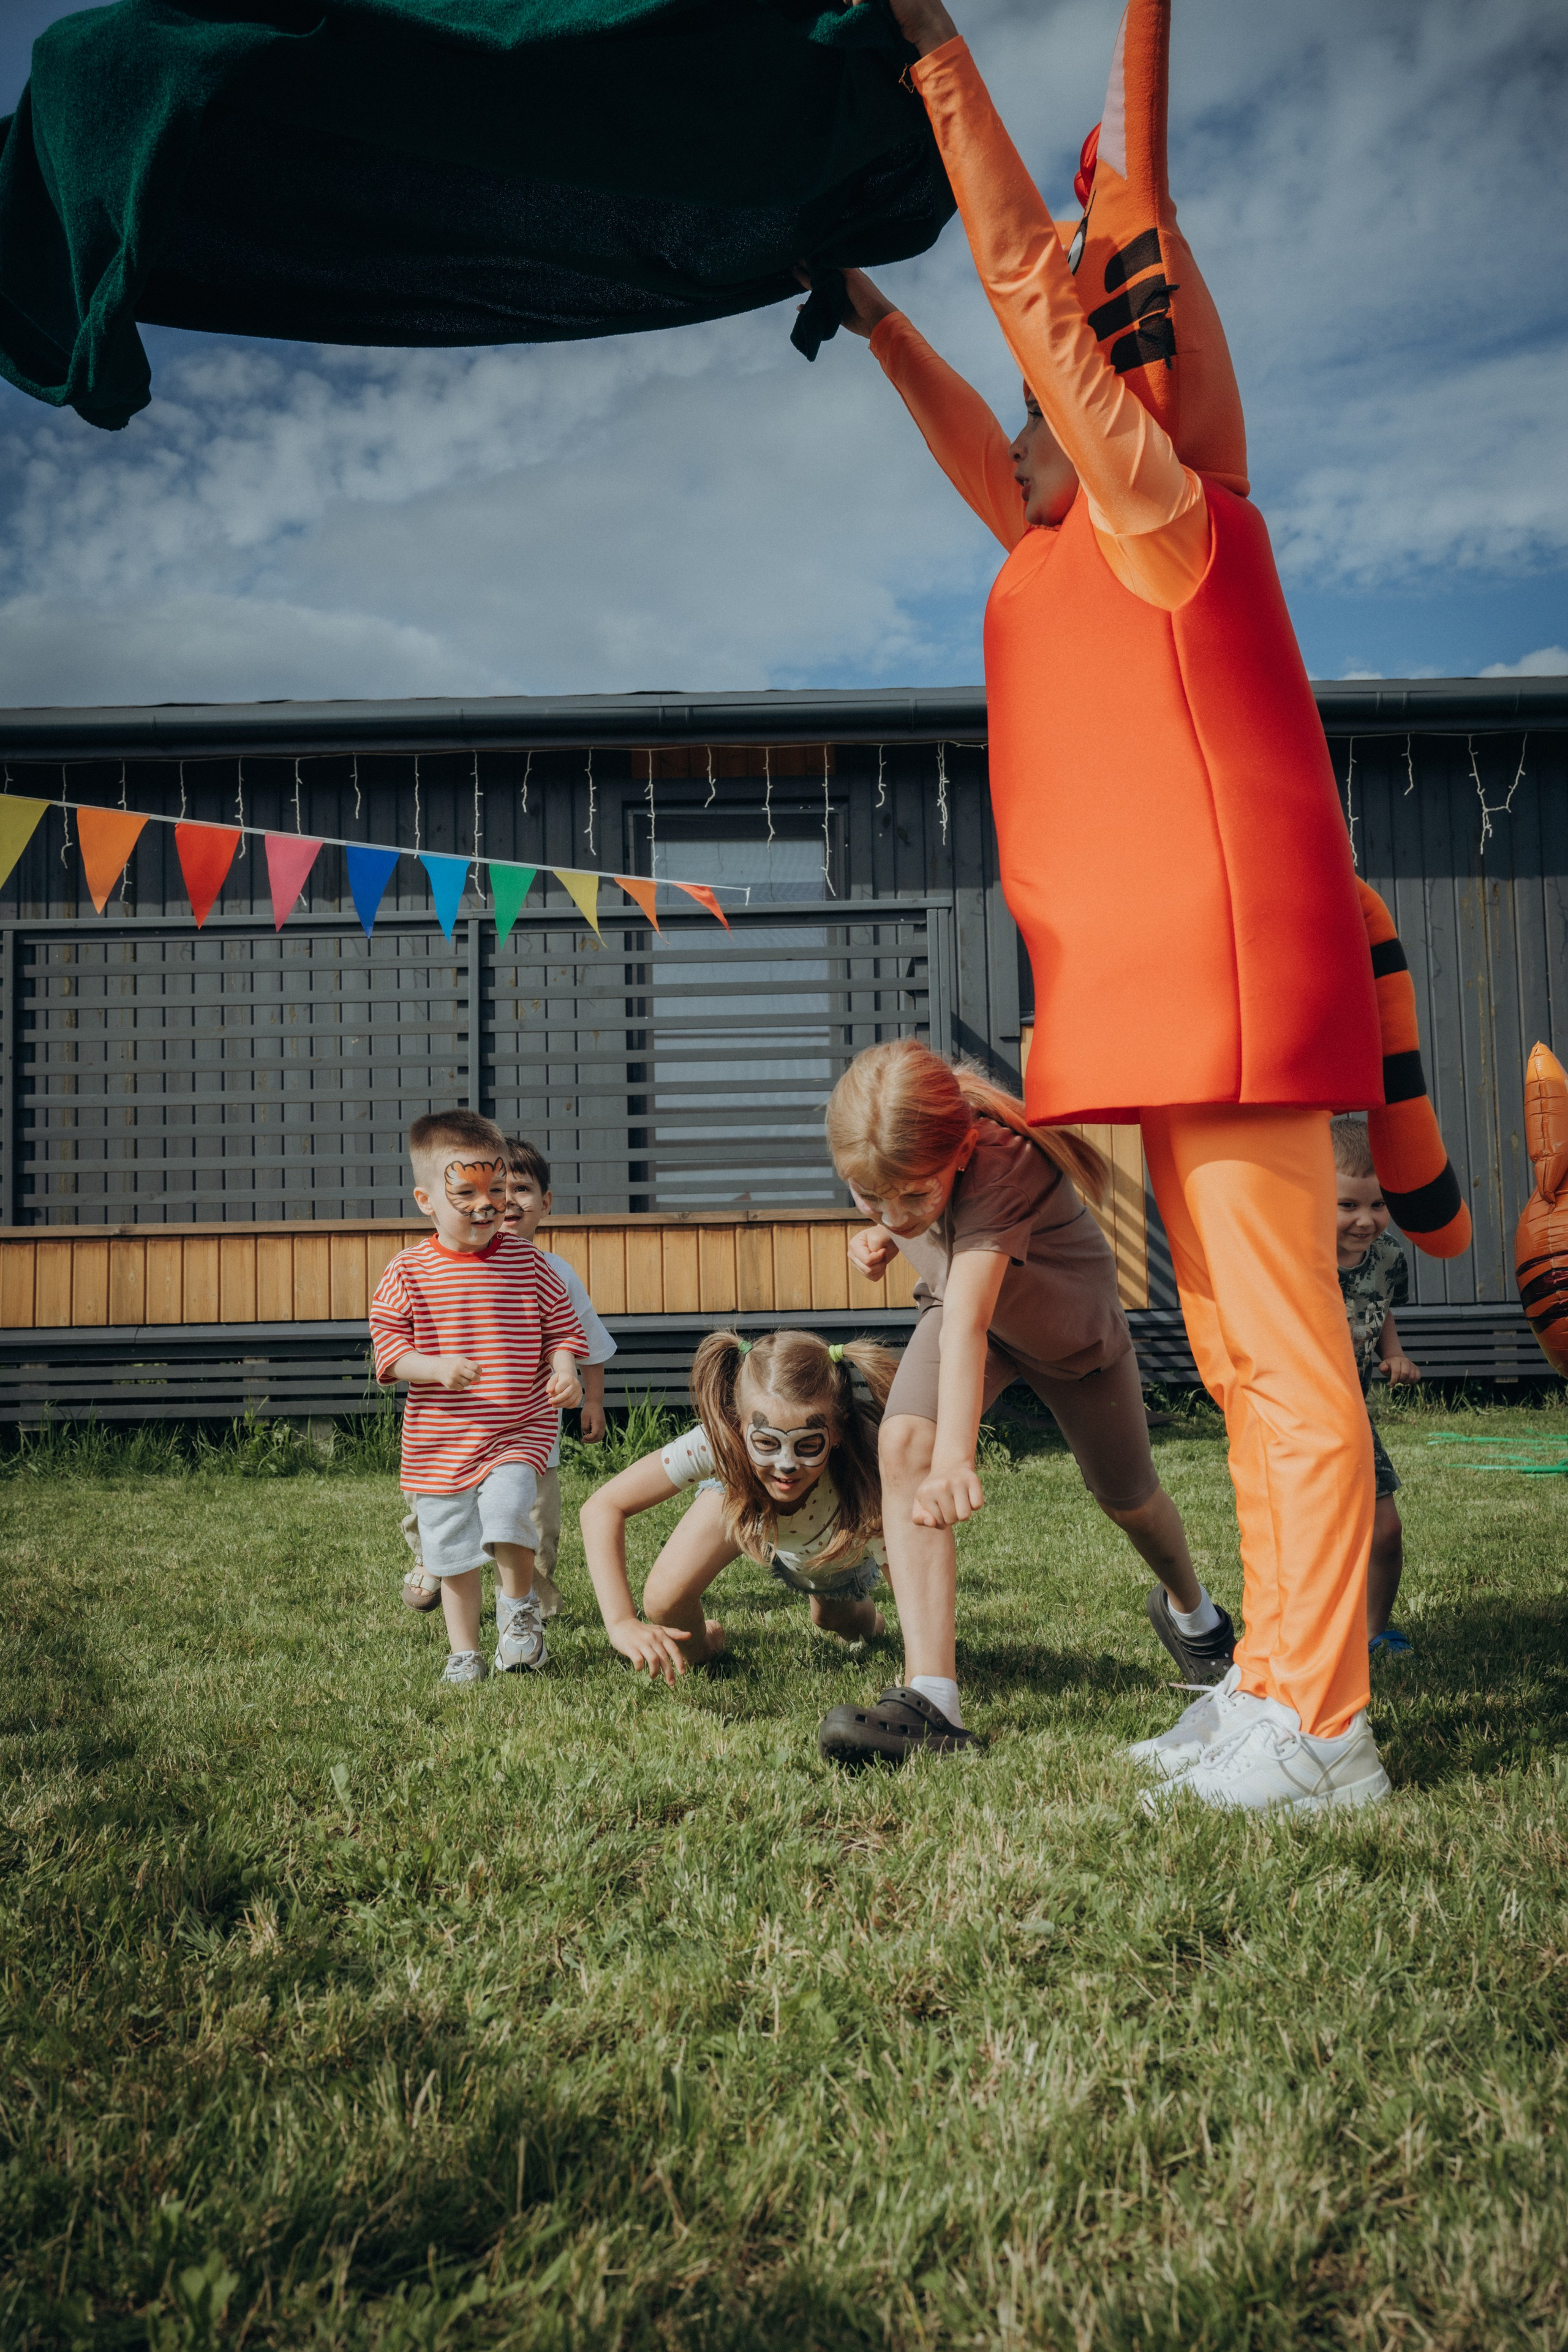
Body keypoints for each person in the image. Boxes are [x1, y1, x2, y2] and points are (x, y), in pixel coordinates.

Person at [821, 0, 1393, 1811]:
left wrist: (938, 64)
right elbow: (973, 439)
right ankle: (1274, 1676)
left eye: (1039, 408)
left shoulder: (1163, 518)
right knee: (1234, 1359)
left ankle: (1325, 1721)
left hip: (1230, 995)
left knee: (1284, 1363)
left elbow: (1027, 286)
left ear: (1105, 406)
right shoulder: (1066, 553)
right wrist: (869, 316)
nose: (1016, 432)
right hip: (1162, 1013)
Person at [813, 1039, 1227, 1763]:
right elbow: (953, 1295)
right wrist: (886, 1228)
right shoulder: (907, 1165)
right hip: (966, 1314)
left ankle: (1196, 1619)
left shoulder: (1002, 1162)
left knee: (1130, 1501)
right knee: (902, 1444)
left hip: (1065, 1335)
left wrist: (956, 1459)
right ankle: (930, 1699)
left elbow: (971, 1320)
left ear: (962, 1151)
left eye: (914, 1196)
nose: (897, 1213)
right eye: (871, 1195)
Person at [369, 1110, 587, 1687]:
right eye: (465, 1193)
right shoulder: (408, 1271)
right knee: (452, 1551)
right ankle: (464, 1651)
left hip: (517, 1429)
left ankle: (518, 1616)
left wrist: (566, 1370)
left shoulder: (531, 1264)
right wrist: (435, 1367)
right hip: (440, 1443)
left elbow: (563, 1329)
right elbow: (389, 1350)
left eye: (496, 1189)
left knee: (511, 1513)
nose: (487, 1205)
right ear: (426, 1200)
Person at [579, 1328, 897, 1682]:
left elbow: (913, 1591)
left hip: (830, 1545)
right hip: (745, 1504)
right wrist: (621, 1621)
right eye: (766, 1443)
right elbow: (602, 1507)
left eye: (808, 1445)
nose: (786, 1465)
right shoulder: (721, 1443)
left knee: (835, 1620)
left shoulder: (869, 1485)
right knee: (665, 1600)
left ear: (838, 1431)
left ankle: (870, 1623)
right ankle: (705, 1649)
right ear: (738, 1425)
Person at [398, 1133, 618, 1618]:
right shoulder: (430, 1269)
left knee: (533, 1519)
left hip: (527, 1433)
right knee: (435, 1502)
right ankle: (434, 1558)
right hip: (453, 1429)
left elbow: (586, 1340)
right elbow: (397, 1343)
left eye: (522, 1189)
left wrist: (592, 1399)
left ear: (546, 1203)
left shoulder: (554, 1272)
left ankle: (528, 1601)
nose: (509, 1201)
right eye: (501, 1190)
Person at [1333, 1118, 1420, 1655]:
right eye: (1347, 1205)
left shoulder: (1388, 1256)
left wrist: (1394, 1353)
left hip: (1354, 1414)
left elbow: (1382, 1307)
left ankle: (1373, 1632)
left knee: (1385, 1531)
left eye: (1379, 1204)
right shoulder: (1297, 1255)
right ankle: (1316, 1635)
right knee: (1322, 1534)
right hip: (1301, 1414)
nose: (1366, 1220)